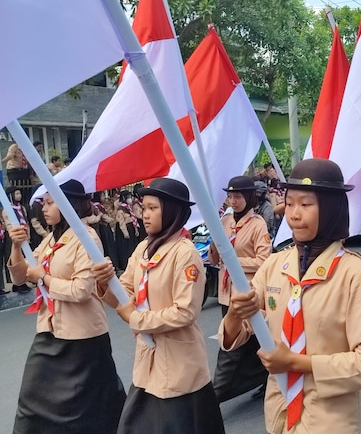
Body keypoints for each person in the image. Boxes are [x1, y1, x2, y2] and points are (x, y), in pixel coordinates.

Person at [220, 158, 361, 433]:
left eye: (305, 205)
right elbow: (239, 333)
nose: (294, 214)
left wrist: (296, 363)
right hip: (279, 415)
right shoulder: (275, 264)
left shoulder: (352, 273)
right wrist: (234, 314)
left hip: (329, 420)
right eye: (289, 204)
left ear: (331, 209)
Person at [92, 178, 225, 434]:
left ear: (173, 211)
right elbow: (126, 292)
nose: (145, 214)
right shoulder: (143, 248)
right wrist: (104, 285)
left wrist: (136, 319)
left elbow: (185, 311)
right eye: (144, 207)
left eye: (153, 208)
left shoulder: (185, 253)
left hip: (179, 363)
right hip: (148, 360)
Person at [8, 179, 125, 433]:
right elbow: (20, 277)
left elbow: (81, 290)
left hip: (83, 339)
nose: (44, 209)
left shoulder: (87, 238)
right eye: (44, 203)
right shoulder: (50, 240)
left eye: (50, 203)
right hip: (49, 333)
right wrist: (17, 247)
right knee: (31, 402)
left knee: (91, 409)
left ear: (68, 204)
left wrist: (43, 277)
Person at [209, 175, 272, 403]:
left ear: (248, 196)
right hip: (227, 294)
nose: (233, 201)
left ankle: (217, 393)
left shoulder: (257, 225)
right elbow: (215, 260)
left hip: (247, 294)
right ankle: (262, 379)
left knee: (248, 344)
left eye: (237, 196)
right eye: (230, 196)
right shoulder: (224, 222)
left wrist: (233, 260)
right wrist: (215, 246)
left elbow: (264, 260)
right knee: (233, 342)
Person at [2, 186, 31, 293]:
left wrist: (27, 235)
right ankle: (17, 284)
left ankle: (23, 281)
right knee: (15, 259)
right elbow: (9, 224)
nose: (19, 196)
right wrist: (16, 235)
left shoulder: (22, 208)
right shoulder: (7, 210)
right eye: (16, 194)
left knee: (24, 258)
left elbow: (26, 221)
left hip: (24, 235)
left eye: (19, 193)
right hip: (14, 237)